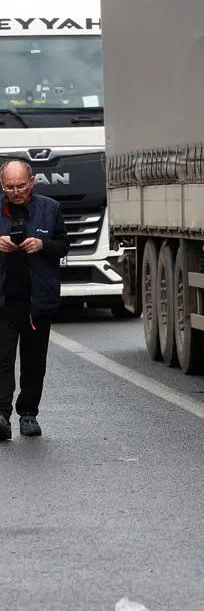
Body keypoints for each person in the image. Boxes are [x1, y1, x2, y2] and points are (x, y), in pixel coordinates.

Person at [0, 159, 69, 440]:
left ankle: (28, 414)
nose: (15, 191)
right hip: (4, 301)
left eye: (20, 186)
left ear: (32, 183)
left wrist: (43, 245)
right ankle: (1, 415)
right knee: (2, 360)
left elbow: (64, 245)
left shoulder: (50, 209)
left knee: (34, 361)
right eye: (9, 187)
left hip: (37, 301)